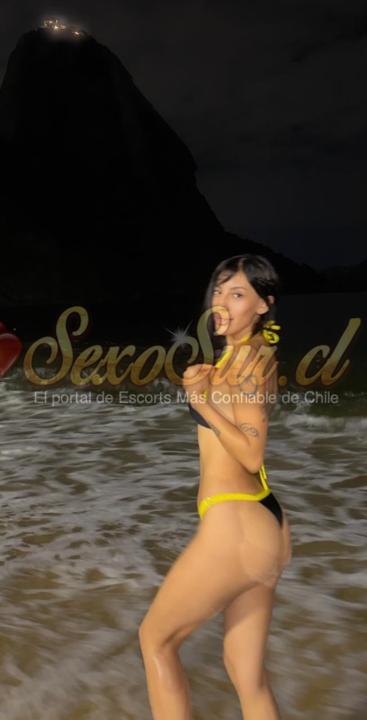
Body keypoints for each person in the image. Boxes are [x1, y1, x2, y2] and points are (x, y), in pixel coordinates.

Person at [139, 254, 292, 720]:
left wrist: (201, 402)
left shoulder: (248, 362)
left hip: (236, 525)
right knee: (247, 675)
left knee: (156, 640)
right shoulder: (244, 357)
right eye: (220, 290)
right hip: (264, 523)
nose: (222, 302)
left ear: (263, 305)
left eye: (238, 293)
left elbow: (251, 453)